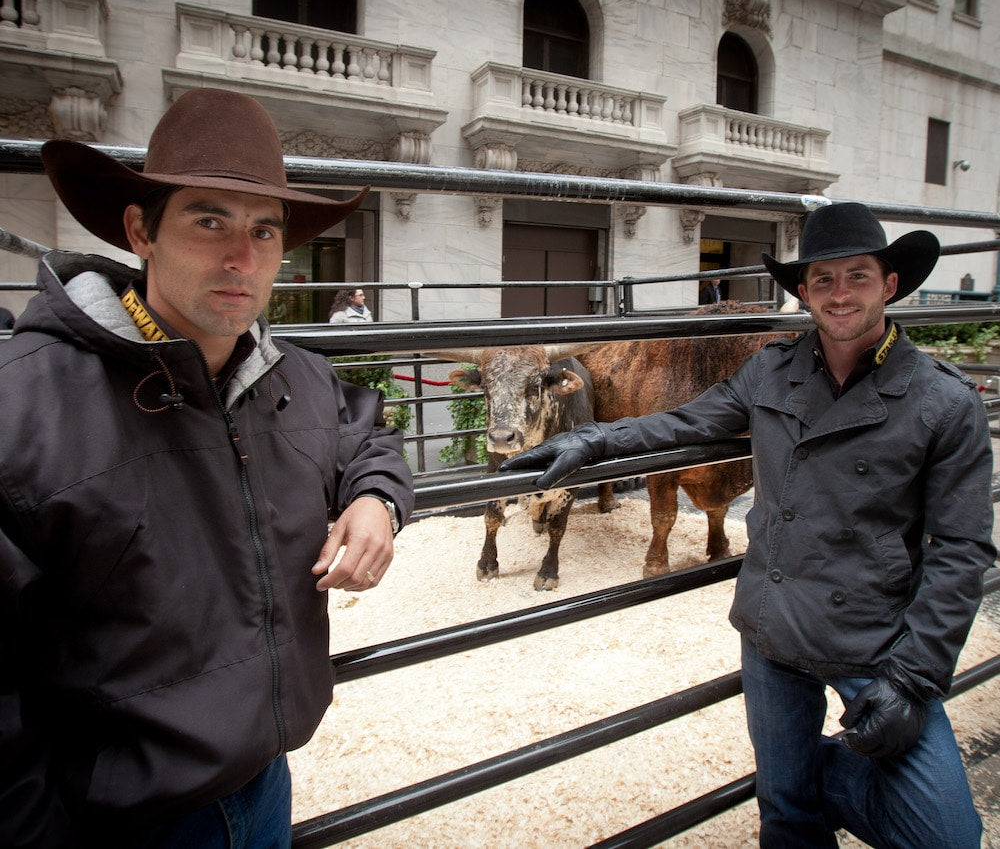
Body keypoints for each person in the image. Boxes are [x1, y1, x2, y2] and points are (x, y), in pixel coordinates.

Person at [502, 202, 995, 847]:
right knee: (786, 816)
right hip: (774, 623)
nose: (839, 293)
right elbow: (684, 422)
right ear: (803, 292)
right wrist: (593, 439)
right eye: (823, 279)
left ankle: (816, 772)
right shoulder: (771, 370)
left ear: (890, 284)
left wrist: (916, 677)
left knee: (948, 837)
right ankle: (794, 780)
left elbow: (962, 549)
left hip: (876, 638)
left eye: (858, 276)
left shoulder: (944, 402)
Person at [0, 88, 414, 846]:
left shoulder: (295, 377)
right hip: (117, 821)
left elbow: (367, 430)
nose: (241, 256)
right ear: (140, 230)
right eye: (209, 218)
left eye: (264, 229)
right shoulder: (23, 404)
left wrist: (377, 499)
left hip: (267, 786)